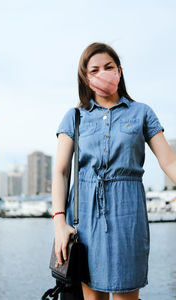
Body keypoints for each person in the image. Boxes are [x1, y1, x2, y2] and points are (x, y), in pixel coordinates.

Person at [51, 42, 176, 300]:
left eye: (109, 67)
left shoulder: (142, 113)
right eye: (94, 69)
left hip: (128, 214)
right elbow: (61, 171)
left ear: (119, 71)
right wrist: (59, 223)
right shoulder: (74, 117)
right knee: (92, 296)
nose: (103, 73)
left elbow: (169, 162)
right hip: (84, 217)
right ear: (85, 77)